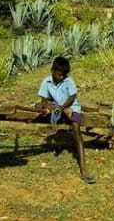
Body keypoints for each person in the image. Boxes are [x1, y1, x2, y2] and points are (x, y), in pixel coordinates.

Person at [38, 56, 96, 184]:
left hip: (71, 108)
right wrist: (49, 106)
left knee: (76, 128)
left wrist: (62, 107)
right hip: (57, 109)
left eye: (63, 75)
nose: (61, 77)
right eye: (59, 75)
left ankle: (84, 169)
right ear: (52, 70)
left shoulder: (68, 80)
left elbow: (72, 97)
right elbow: (43, 101)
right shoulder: (46, 82)